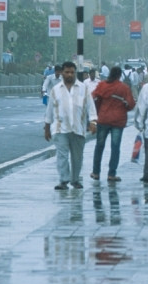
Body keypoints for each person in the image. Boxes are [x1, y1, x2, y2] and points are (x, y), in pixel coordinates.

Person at [44, 61, 98, 190]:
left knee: (77, 157)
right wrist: (46, 128)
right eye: (67, 72)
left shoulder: (83, 89)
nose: (69, 75)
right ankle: (63, 180)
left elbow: (91, 107)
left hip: (78, 128)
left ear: (75, 73)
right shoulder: (55, 90)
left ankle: (74, 180)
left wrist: (93, 122)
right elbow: (49, 110)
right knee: (62, 155)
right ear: (62, 73)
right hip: (59, 128)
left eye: (72, 72)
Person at [90, 66, 135, 183]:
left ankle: (95, 172)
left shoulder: (102, 85)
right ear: (120, 75)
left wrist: (99, 111)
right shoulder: (123, 88)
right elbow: (130, 104)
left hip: (103, 119)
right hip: (118, 121)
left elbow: (93, 99)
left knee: (99, 146)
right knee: (115, 148)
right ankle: (111, 174)